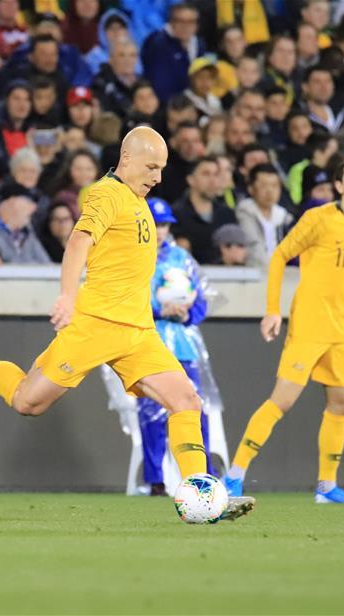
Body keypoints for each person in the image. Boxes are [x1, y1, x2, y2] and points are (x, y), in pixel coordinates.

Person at [0, 127, 254, 521]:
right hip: (95, 325)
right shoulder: (106, 194)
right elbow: (78, 242)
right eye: (152, 167)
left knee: (186, 400)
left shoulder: (138, 198)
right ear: (126, 159)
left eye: (162, 169)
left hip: (139, 332)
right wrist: (68, 297)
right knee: (27, 401)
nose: (158, 177)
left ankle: (202, 497)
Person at [223, 157, 344, 504]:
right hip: (309, 322)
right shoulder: (318, 219)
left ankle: (327, 487)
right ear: (338, 186)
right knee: (282, 400)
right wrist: (272, 311)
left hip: (341, 327)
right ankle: (235, 475)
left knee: (341, 404)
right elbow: (279, 256)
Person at [136, 197, 213, 496]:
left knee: (194, 408)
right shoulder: (131, 255)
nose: (159, 230)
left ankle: (203, 476)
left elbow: (202, 299)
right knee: (150, 412)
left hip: (181, 344)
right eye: (154, 224)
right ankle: (156, 480)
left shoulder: (181, 257)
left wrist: (187, 313)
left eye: (164, 224)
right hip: (145, 341)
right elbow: (121, 299)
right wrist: (157, 311)